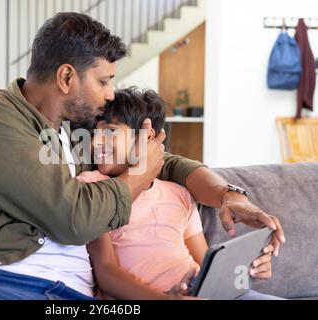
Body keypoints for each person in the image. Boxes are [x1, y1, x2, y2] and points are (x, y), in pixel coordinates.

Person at [0, 12, 284, 300]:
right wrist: (137, 175)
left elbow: (164, 162)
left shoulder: (78, 138)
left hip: (73, 299)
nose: (111, 94)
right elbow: (73, 218)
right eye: (103, 81)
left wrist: (227, 195)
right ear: (66, 78)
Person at [78, 88, 283, 300]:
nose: (96, 142)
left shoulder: (178, 194)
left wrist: (249, 270)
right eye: (94, 133)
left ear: (146, 136)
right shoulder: (92, 188)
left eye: (110, 132)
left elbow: (206, 265)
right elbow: (106, 273)